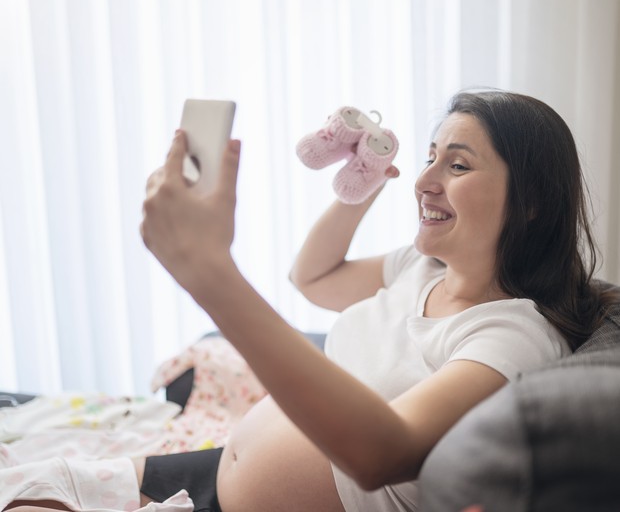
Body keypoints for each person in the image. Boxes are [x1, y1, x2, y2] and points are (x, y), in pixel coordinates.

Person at [5, 89, 616, 512]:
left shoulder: (510, 335)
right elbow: (313, 277)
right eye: (429, 157)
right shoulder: (421, 268)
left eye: (457, 165)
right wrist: (363, 184)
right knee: (27, 494)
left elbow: (384, 452)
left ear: (532, 201)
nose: (426, 180)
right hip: (208, 472)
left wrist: (211, 274)